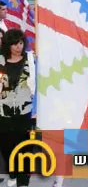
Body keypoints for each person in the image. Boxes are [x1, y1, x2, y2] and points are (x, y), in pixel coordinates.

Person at [0, 29, 35, 187]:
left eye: (20, 43)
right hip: (3, 113)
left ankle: (23, 180)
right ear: (8, 45)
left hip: (24, 111)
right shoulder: (1, 60)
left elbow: (32, 83)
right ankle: (12, 173)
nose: (18, 47)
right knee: (7, 147)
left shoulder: (29, 58)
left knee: (25, 147)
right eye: (14, 44)